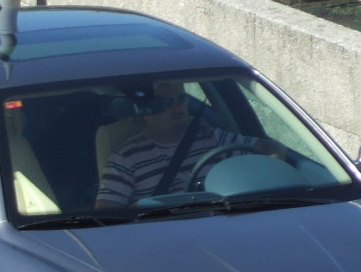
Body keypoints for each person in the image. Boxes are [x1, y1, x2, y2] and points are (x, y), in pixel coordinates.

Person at [96, 80, 285, 207]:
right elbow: (107, 215)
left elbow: (270, 148)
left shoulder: (212, 137)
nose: (178, 108)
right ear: (147, 111)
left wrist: (270, 174)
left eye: (182, 100)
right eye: (167, 103)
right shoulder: (125, 158)